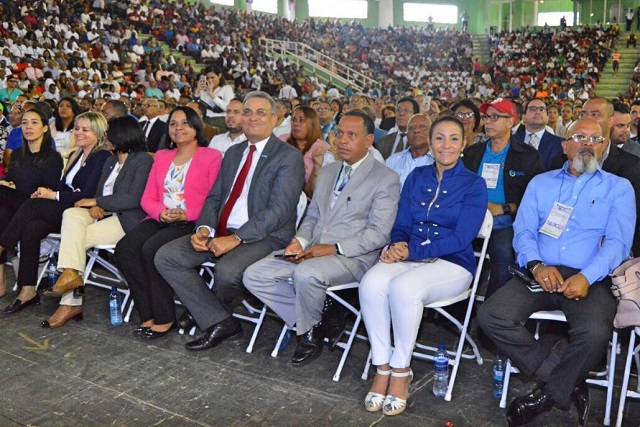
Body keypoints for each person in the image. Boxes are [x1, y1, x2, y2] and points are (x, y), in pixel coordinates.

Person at [478, 117, 635, 427]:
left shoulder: (619, 188)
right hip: (541, 272)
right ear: (565, 145)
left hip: (590, 277)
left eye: (595, 138)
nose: (587, 143)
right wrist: (536, 265)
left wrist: (587, 276)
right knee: (490, 316)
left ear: (604, 146)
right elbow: (523, 231)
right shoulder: (541, 183)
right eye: (579, 136)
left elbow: (618, 243)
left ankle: (545, 396)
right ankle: (565, 381)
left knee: (595, 333)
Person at [243, 110, 401, 367]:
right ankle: (314, 322)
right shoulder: (328, 171)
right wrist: (301, 242)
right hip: (314, 251)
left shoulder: (385, 178)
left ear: (369, 140)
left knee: (306, 274)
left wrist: (333, 248)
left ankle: (307, 335)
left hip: (353, 257)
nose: (342, 140)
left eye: (352, 135)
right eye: (339, 133)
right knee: (254, 275)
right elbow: (312, 215)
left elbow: (379, 233)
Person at [155, 91, 304, 351]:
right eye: (247, 112)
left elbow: (279, 211)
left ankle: (208, 313)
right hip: (222, 231)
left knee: (227, 271)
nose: (252, 117)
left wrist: (236, 239)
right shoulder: (233, 153)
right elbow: (214, 197)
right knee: (167, 257)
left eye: (260, 112)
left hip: (264, 235)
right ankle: (221, 320)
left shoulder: (288, 156)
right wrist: (203, 228)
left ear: (275, 118)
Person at [360, 116, 488, 416]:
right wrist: (397, 244)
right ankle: (382, 366)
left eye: (454, 138)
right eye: (439, 138)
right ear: (430, 143)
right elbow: (402, 222)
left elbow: (461, 238)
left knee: (404, 289)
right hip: (410, 255)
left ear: (464, 143)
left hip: (453, 263)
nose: (446, 145)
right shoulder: (417, 177)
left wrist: (411, 251)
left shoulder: (474, 184)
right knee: (371, 283)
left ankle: (401, 370)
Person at [115, 106, 222, 339]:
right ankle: (148, 314)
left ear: (196, 126)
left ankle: (165, 317)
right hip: (160, 217)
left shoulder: (211, 156)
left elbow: (214, 199)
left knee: (151, 249)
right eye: (173, 123)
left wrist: (187, 214)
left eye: (185, 123)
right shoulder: (162, 156)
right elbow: (147, 198)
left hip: (192, 222)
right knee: (125, 250)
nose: (178, 128)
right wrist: (162, 213)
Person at [42, 116, 153, 328]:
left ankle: (70, 301)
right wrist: (97, 204)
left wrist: (97, 201)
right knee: (72, 215)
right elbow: (101, 190)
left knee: (73, 241)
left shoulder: (142, 160)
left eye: (109, 133)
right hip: (103, 213)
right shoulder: (111, 160)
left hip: (126, 218)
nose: (106, 137)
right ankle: (71, 279)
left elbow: (133, 198)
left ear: (122, 135)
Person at [0, 112, 111, 314]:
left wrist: (53, 195)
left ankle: (2, 245)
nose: (79, 132)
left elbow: (87, 194)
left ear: (98, 131)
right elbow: (65, 187)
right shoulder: (78, 154)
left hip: (81, 215)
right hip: (64, 210)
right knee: (31, 228)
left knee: (32, 205)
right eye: (77, 128)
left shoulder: (102, 156)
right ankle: (28, 291)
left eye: (85, 129)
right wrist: (54, 194)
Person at [462, 98, 545, 299]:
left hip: (505, 223)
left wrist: (504, 208)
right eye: (486, 117)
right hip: (469, 219)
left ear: (511, 121)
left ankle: (491, 312)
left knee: (504, 253)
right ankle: (456, 307)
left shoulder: (527, 156)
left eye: (495, 117)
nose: (488, 122)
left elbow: (537, 201)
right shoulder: (472, 153)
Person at [0, 108, 63, 298]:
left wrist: (10, 187)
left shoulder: (52, 158)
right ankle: (5, 280)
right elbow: (11, 179)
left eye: (34, 122)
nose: (28, 127)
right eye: (25, 122)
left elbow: (46, 193)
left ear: (45, 128)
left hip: (37, 207)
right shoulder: (18, 153)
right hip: (15, 207)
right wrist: (7, 182)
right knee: (1, 212)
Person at [283, 106, 329, 196]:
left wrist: (316, 166)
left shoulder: (322, 149)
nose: (295, 124)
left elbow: (314, 193)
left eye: (301, 120)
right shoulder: (282, 141)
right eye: (294, 120)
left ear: (312, 124)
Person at [385, 114, 434, 188]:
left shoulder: (438, 161)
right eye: (411, 128)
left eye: (422, 127)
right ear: (407, 134)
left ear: (432, 133)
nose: (416, 130)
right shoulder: (393, 160)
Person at [513, 99, 564, 170]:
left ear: (547, 117)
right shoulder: (511, 140)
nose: (537, 112)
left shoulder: (559, 144)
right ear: (523, 117)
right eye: (532, 109)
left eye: (542, 109)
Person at [193, 64, 234, 132]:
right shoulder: (203, 91)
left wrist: (212, 95)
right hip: (204, 120)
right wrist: (197, 91)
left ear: (219, 76)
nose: (210, 81)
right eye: (208, 78)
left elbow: (228, 108)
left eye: (213, 77)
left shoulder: (226, 88)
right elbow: (197, 107)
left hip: (220, 120)